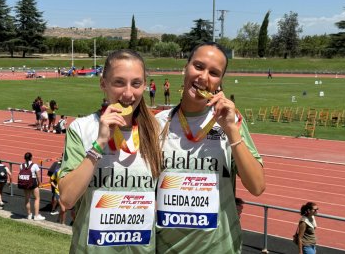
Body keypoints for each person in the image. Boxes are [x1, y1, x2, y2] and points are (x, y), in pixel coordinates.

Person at [155, 42, 265, 253]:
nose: (204, 77)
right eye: (198, 66)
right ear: (185, 68)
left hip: (220, 247)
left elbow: (257, 186)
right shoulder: (157, 123)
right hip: (166, 248)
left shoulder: (233, 122)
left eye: (214, 73)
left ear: (220, 81)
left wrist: (231, 130)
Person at [59, 49, 162, 253]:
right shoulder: (82, 128)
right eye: (118, 82)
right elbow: (67, 199)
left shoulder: (158, 131)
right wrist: (100, 143)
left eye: (136, 83)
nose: (128, 93)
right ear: (103, 84)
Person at [20, 152, 45, 221]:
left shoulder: (21, 165)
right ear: (31, 157)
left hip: (25, 182)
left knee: (27, 199)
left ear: (24, 158)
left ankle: (29, 215)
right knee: (37, 198)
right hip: (33, 182)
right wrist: (40, 183)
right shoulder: (34, 165)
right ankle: (36, 215)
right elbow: (37, 175)